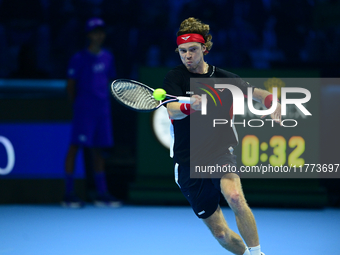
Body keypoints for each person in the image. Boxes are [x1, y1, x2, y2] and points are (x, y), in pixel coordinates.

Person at [163, 17, 282, 255]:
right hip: (188, 161)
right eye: (183, 51)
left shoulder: (225, 78)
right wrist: (190, 107)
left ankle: (258, 253)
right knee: (220, 233)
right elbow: (172, 111)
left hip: (219, 151)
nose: (187, 55)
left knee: (236, 197)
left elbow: (257, 94)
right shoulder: (174, 78)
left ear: (205, 48)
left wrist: (271, 101)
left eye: (193, 50)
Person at [62, 17, 121, 208]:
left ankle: (101, 194)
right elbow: (70, 87)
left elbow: (108, 83)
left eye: (101, 32)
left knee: (99, 152)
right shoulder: (78, 59)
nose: (99, 35)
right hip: (84, 111)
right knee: (75, 148)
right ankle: (68, 194)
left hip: (102, 112)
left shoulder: (108, 57)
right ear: (89, 35)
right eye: (95, 32)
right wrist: (79, 106)